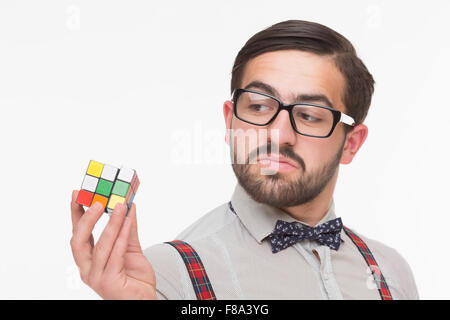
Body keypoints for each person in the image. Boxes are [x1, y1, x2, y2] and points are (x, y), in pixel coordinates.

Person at [70, 19, 419, 300]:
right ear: (230, 121)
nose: (278, 135)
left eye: (310, 115)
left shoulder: (391, 273)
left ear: (351, 144)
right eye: (258, 106)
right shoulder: (160, 276)